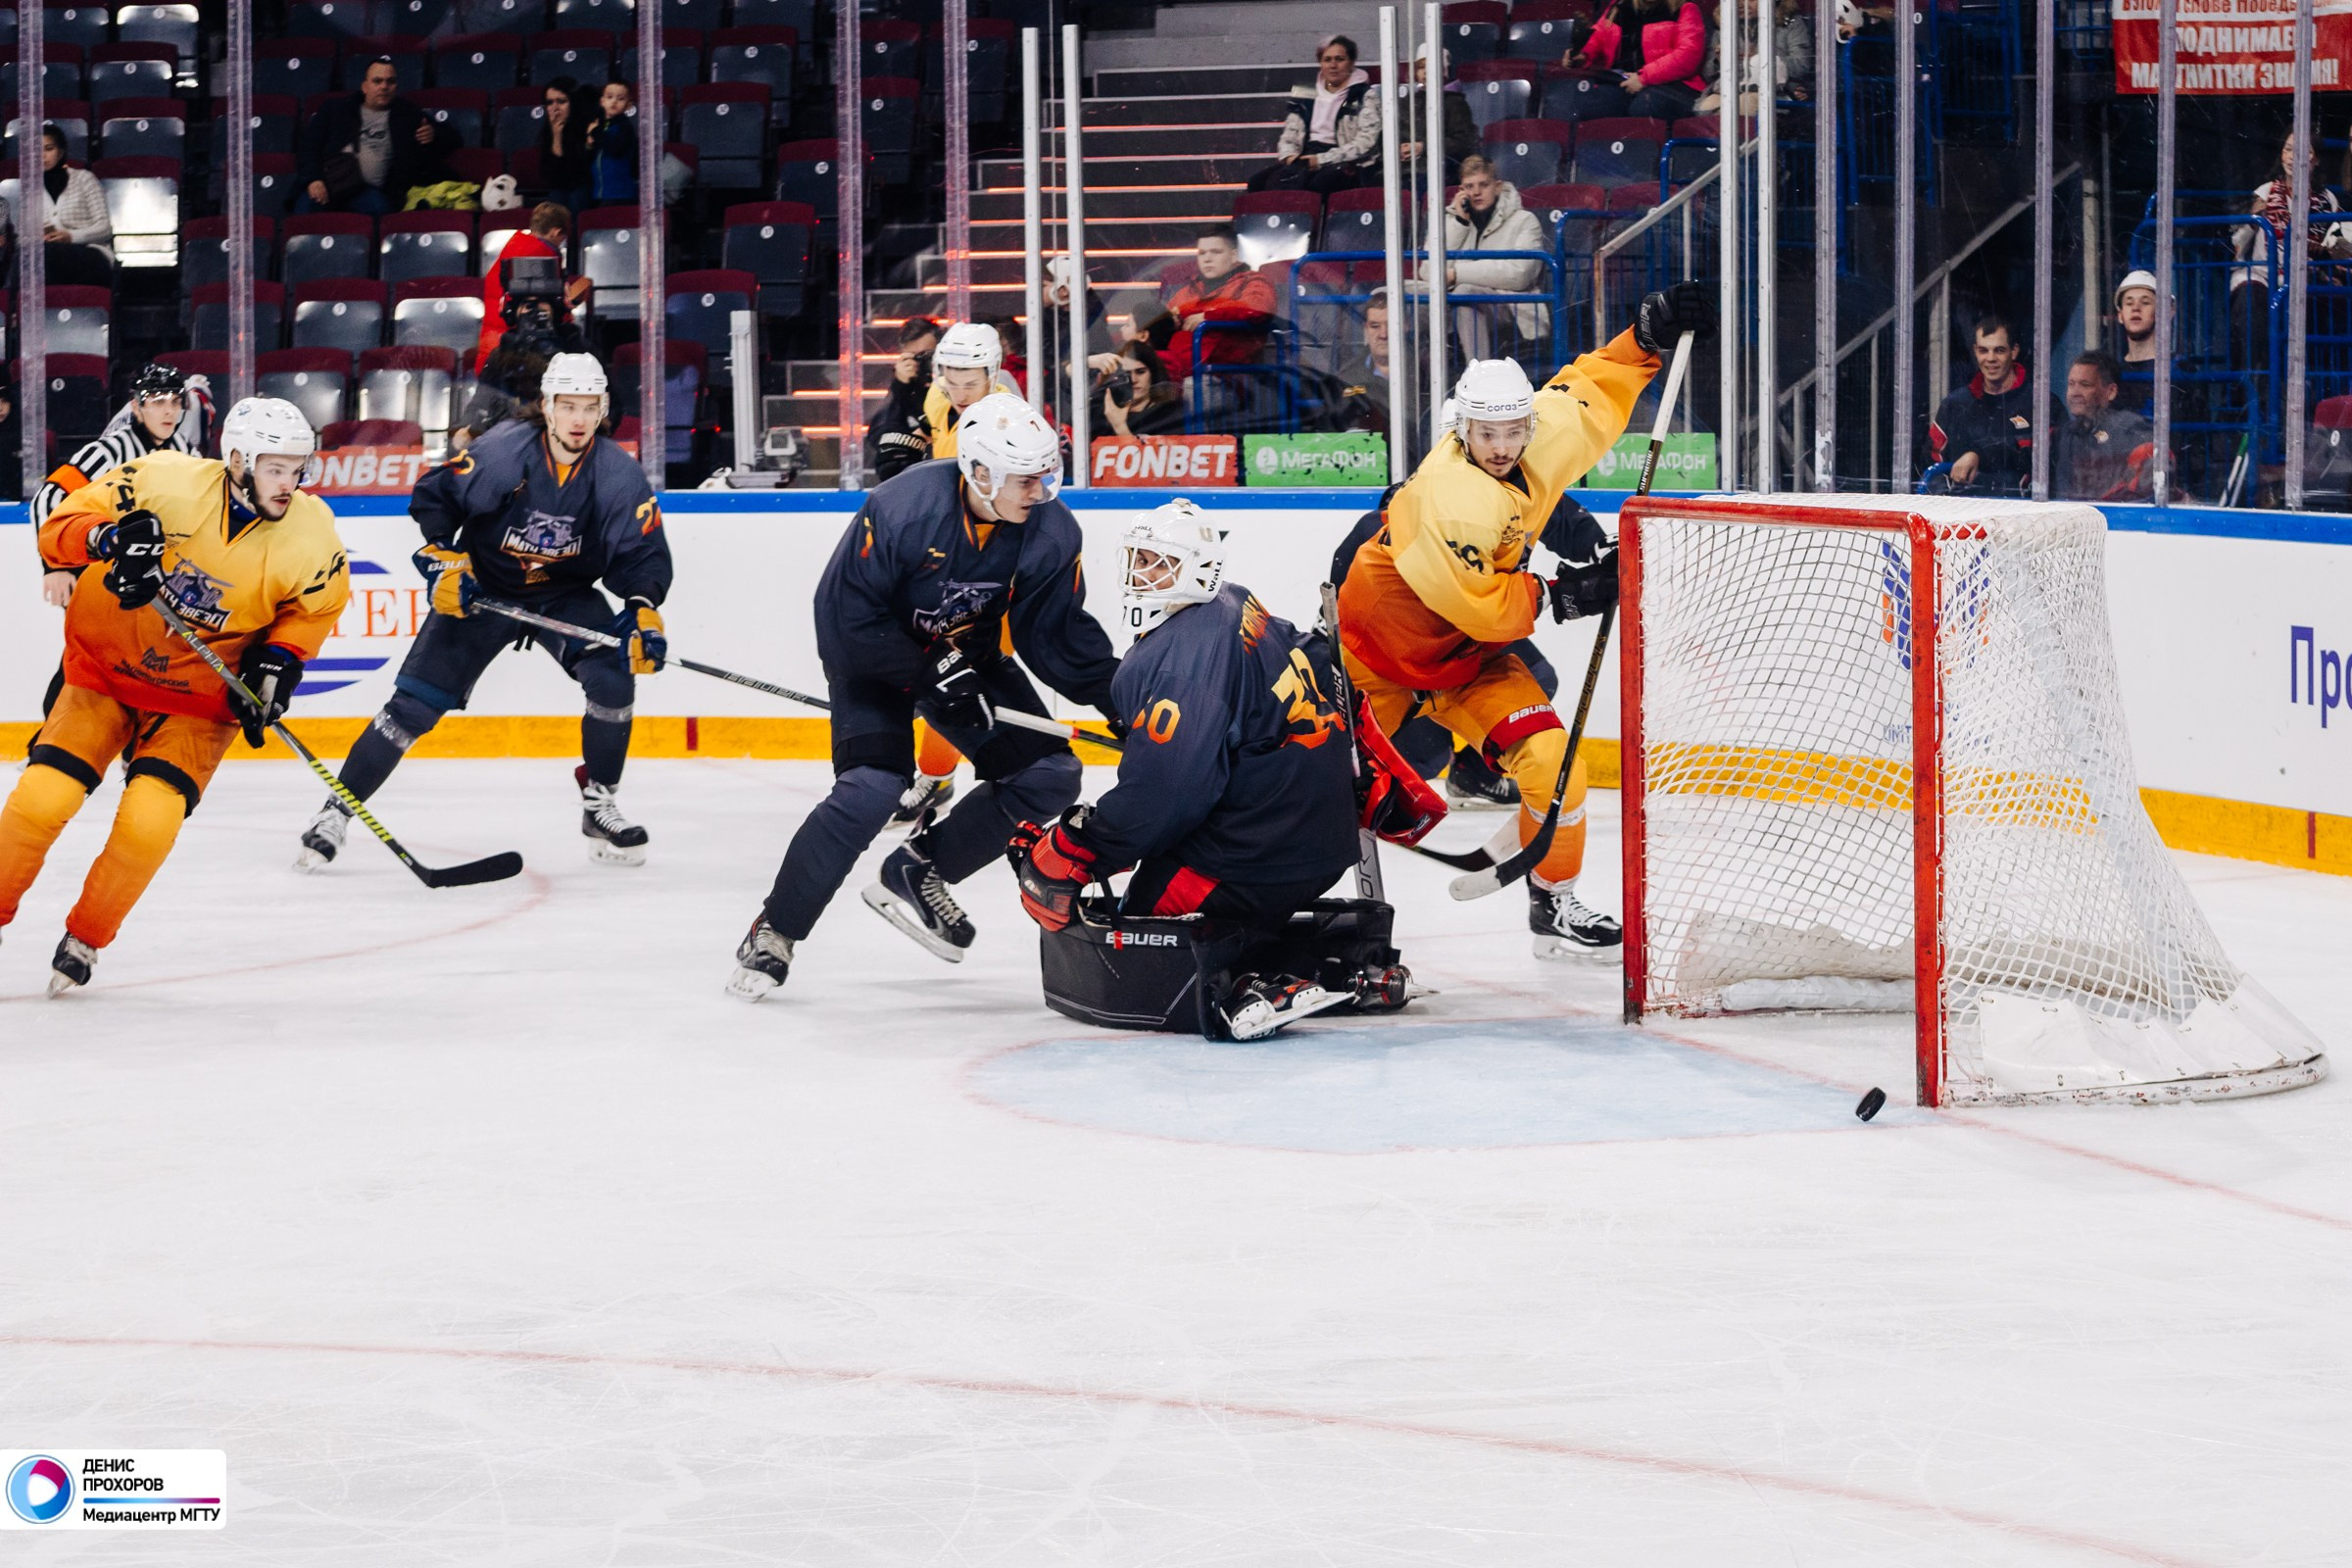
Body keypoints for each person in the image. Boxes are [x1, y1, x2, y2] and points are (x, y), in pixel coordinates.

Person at [1337, 283, 1714, 958]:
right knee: (1312, 781)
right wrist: (1568, 595)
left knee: (1555, 768)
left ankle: (1555, 899)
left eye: (1515, 431)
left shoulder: (1533, 437)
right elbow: (1476, 606)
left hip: (1465, 664)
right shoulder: (1451, 499)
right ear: (1462, 429)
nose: (1504, 445)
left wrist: (1644, 337)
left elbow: (1587, 394)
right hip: (1377, 661)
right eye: (1489, 433)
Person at [727, 394, 1122, 1000]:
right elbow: (844, 618)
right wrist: (925, 666)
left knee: (1049, 776)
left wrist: (1118, 699)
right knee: (871, 789)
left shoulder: (1051, 530)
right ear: (980, 472)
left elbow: (1058, 633)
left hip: (971, 659)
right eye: (1026, 478)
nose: (1041, 490)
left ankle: (919, 870)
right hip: (876, 660)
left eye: (1048, 474)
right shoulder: (901, 508)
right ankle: (775, 929)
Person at [1, 399, 347, 994]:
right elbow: (61, 527)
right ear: (237, 459)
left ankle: (87, 936)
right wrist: (107, 538)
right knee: (42, 797)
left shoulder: (312, 532)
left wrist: (277, 664)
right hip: (105, 673)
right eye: (275, 468)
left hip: (199, 698)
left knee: (149, 822)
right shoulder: (162, 479)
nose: (290, 484)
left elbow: (313, 609)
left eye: (298, 469)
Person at [296, 354, 671, 871]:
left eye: (590, 407)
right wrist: (444, 558)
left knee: (612, 674)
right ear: (547, 406)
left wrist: (641, 608)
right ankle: (336, 810)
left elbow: (640, 554)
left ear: (603, 408)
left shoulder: (617, 474)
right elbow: (436, 497)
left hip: (563, 592)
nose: (579, 419)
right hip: (486, 587)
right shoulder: (503, 450)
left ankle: (599, 801)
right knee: (412, 706)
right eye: (568, 406)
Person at [1008, 501, 1364, 1041]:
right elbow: (1310, 659)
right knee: (1193, 883)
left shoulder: (1179, 657)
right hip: (1321, 842)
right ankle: (1330, 964)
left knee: (1137, 927)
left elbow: (1167, 799)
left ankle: (1242, 984)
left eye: (1158, 563)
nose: (1139, 575)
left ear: (1197, 569)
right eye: (1137, 559)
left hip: (1253, 852)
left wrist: (1081, 846)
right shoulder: (1238, 602)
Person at [1331, 487, 1593, 808]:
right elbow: (1343, 622)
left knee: (1538, 677)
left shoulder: (1476, 505)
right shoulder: (1371, 538)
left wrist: (1594, 544)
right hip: (1396, 660)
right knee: (1428, 751)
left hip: (1465, 636)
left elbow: (1546, 506)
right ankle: (1383, 793)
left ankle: (1474, 774)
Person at [1428, 156, 1551, 362]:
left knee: (1465, 293)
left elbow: (1519, 275)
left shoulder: (1524, 220)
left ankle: (1477, 380)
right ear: (1461, 190)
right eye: (1469, 186)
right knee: (1388, 293)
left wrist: (1456, 274)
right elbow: (1426, 271)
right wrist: (1459, 223)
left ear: (1497, 187)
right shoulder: (1451, 220)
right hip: (1450, 302)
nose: (1476, 192)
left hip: (1510, 307)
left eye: (1483, 185)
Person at [296, 56, 445, 216]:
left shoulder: (408, 114)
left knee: (382, 212)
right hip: (329, 183)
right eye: (377, 81)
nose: (384, 87)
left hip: (367, 192)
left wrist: (433, 133)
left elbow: (453, 136)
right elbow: (308, 147)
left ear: (396, 87)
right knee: (305, 213)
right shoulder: (336, 109)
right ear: (365, 86)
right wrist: (313, 180)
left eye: (390, 81)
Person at [1928, 315, 2060, 494]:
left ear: (2014, 351)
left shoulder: (2043, 404)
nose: (1990, 358)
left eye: (1999, 350)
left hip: (2023, 518)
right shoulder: (1954, 405)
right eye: (1983, 350)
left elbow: (2053, 462)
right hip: (1964, 517)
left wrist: (1978, 456)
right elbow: (1929, 464)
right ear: (1975, 351)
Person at [1248, 35, 1381, 195]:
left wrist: (1320, 160)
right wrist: (1290, 156)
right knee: (1257, 183)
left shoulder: (1366, 96)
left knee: (1319, 183)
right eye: (1327, 60)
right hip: (1306, 157)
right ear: (1320, 63)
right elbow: (1290, 133)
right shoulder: (1307, 92)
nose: (1333, 65)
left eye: (1340, 59)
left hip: (1345, 160)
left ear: (1351, 63)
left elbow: (1366, 142)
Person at [1149, 225, 1278, 383]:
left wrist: (1208, 316)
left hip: (1225, 378)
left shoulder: (1253, 283)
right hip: (1179, 371)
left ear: (1234, 255)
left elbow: (1258, 309)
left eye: (1216, 252)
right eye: (1202, 253)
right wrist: (1170, 322)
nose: (1207, 259)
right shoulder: (1187, 291)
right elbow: (1157, 325)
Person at [476, 202, 591, 373]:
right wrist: (570, 303)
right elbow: (547, 310)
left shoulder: (517, 246)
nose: (561, 243)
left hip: (496, 347)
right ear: (556, 232)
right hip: (520, 352)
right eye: (562, 237)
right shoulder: (539, 258)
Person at [1566, 0, 1710, 122]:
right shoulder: (1618, 7)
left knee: (1645, 107)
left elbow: (1688, 55)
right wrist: (1583, 56)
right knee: (1590, 106)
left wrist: (1643, 78)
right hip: (1624, 82)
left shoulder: (1685, 9)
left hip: (1672, 85)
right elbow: (1598, 36)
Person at [2053, 351, 2157, 502]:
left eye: (2085, 385)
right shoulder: (2064, 434)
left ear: (2111, 391)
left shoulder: (2131, 429)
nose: (2075, 392)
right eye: (2071, 384)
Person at [19, 124, 112, 286]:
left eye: (49, 148)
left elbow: (104, 228)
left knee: (43, 259)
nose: (42, 155)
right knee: (32, 258)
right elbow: (22, 239)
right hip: (49, 255)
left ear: (61, 152)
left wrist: (71, 237)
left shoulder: (84, 179)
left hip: (90, 252)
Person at [864, 316, 945, 478]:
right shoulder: (902, 389)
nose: (921, 362)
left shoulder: (957, 384)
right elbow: (879, 435)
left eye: (927, 355)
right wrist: (901, 385)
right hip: (916, 475)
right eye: (914, 357)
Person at [1396, 44, 1478, 181]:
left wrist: (1423, 147)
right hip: (1403, 170)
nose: (1426, 72)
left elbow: (1462, 143)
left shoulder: (1455, 103)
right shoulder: (1405, 103)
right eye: (1421, 67)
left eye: (1431, 66)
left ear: (1444, 71)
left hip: (1439, 172)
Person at [1329, 290, 1394, 433]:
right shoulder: (1346, 378)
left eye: (1391, 325)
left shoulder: (1427, 375)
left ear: (1405, 326)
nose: (1384, 334)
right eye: (1375, 326)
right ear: (1365, 330)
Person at [1098, 340, 1186, 440]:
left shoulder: (1168, 411)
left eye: (1140, 372)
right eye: (1126, 374)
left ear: (1152, 373)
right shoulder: (1104, 411)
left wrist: (1120, 428)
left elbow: (1159, 455)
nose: (1133, 380)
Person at [537, 79, 592, 218]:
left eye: (561, 101)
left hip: (585, 185)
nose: (555, 107)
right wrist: (556, 135)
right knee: (554, 202)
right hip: (560, 187)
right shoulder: (546, 132)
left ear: (572, 103)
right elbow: (552, 175)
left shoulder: (587, 127)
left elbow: (581, 170)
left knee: (577, 198)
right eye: (550, 102)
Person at [582, 79, 640, 208]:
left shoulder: (625, 127)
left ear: (629, 105)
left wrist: (595, 132)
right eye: (609, 97)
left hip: (620, 193)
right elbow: (589, 157)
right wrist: (589, 145)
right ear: (602, 101)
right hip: (599, 191)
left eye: (620, 99)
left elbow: (615, 149)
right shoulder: (601, 125)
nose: (614, 101)